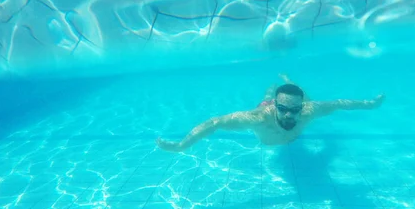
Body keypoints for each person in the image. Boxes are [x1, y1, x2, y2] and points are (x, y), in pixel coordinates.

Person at [156, 78, 385, 152]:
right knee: (265, 97)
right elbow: (215, 123)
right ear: (276, 106)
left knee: (304, 93)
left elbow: (340, 104)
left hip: (290, 133)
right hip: (265, 112)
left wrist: (371, 105)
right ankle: (273, 87)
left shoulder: (309, 110)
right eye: (283, 109)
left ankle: (287, 80)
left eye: (295, 110)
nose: (289, 116)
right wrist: (181, 145)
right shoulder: (258, 118)